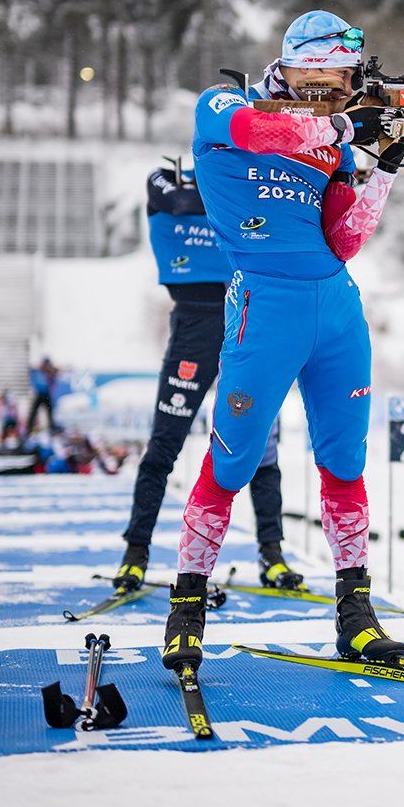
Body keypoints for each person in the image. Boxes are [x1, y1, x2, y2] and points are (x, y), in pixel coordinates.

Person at [162, 10, 404, 676]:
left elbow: (345, 239)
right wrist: (338, 123)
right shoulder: (224, 105)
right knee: (233, 459)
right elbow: (259, 131)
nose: (334, 86)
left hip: (336, 306)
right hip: (264, 305)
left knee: (344, 458)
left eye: (344, 79)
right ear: (294, 64)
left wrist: (383, 166)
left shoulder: (330, 144)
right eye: (324, 73)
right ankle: (186, 610)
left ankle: (356, 615)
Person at [112, 164, 300, 594]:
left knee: (262, 448)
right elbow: (173, 198)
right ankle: (134, 554)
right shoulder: (170, 181)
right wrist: (219, 182)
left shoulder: (240, 185)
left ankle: (272, 554)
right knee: (163, 446)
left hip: (244, 328)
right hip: (193, 334)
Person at [25, 357, 59, 434]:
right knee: (33, 412)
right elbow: (31, 372)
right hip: (39, 394)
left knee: (49, 412)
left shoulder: (50, 373)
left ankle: (51, 427)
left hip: (47, 395)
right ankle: (29, 428)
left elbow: (54, 378)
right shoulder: (38, 372)